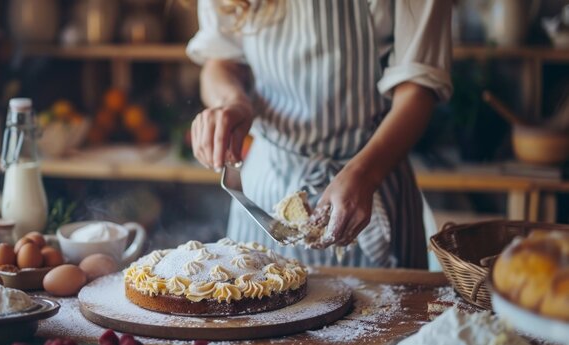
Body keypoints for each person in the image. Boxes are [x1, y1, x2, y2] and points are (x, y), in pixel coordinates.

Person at [187, 0, 452, 268]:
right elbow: (221, 61)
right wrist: (234, 101)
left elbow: (417, 89)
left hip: (373, 183)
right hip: (266, 190)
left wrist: (366, 173)